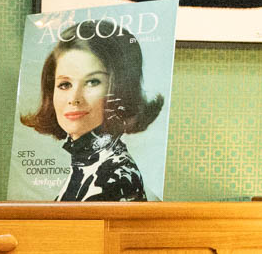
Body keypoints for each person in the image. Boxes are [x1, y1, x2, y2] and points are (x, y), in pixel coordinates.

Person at [20, 19, 163, 201]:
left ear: (120, 89)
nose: (74, 98)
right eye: (64, 84)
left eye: (92, 82)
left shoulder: (113, 176)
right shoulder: (87, 164)